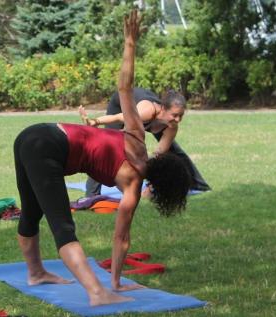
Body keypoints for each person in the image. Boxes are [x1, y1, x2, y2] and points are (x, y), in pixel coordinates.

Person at [12, 10, 191, 306]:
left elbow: (124, 87)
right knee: (63, 227)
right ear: (160, 187)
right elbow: (121, 239)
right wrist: (115, 283)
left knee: (32, 212)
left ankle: (36, 273)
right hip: (48, 148)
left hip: (33, 135)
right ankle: (97, 293)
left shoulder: (136, 138)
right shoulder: (132, 190)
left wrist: (130, 43)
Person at [79, 88, 210, 197]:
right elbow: (118, 118)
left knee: (173, 151)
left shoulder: (171, 126)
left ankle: (197, 184)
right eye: (175, 115)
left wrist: (150, 186)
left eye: (181, 115)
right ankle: (92, 195)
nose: (178, 120)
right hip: (120, 103)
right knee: (108, 150)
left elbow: (158, 157)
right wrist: (95, 122)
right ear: (163, 109)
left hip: (155, 118)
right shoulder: (146, 111)